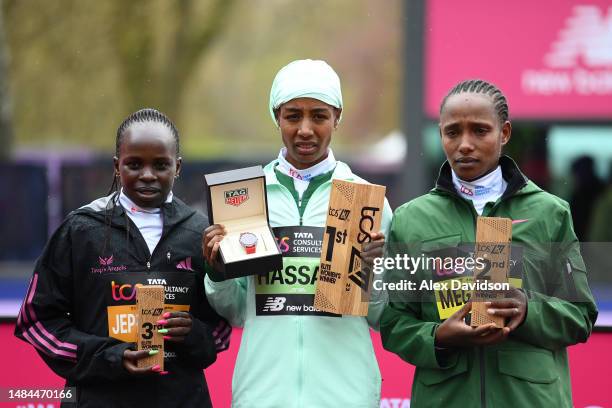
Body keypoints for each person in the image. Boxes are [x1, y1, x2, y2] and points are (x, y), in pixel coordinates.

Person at [380, 79, 598, 407]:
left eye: (480, 131)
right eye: (453, 132)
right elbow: (395, 322)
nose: (465, 144)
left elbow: (580, 316)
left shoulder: (549, 213)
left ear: (504, 133)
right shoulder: (412, 219)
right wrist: (438, 337)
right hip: (446, 397)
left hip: (530, 398)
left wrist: (527, 310)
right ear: (441, 134)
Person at [203, 59, 393, 407]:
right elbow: (235, 311)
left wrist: (372, 274)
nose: (305, 129)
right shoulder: (245, 197)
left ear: (338, 117)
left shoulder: (365, 201)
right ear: (277, 116)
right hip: (262, 394)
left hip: (345, 396)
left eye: (319, 116)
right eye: (293, 116)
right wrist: (216, 272)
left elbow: (381, 317)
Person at [15, 108, 229, 407]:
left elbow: (221, 325)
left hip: (181, 399)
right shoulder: (82, 229)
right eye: (134, 164)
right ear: (117, 165)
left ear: (178, 167)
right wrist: (111, 357)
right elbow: (36, 321)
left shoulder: (200, 233)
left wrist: (193, 333)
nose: (147, 175)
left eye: (161, 165)